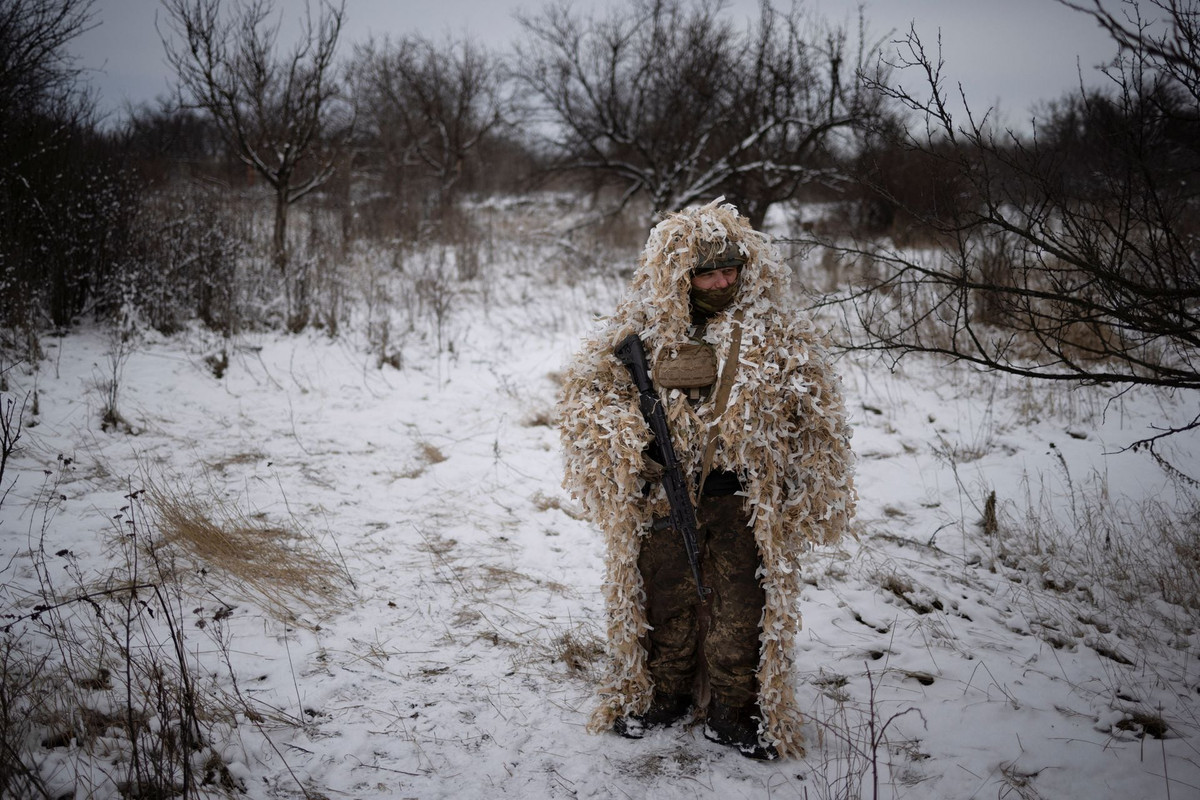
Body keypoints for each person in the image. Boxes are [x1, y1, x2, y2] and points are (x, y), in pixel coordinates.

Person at [557, 199, 856, 759]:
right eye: (706, 273)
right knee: (662, 600)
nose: (721, 282)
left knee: (743, 608)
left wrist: (809, 489)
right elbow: (586, 401)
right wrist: (630, 441)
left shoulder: (777, 335)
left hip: (743, 500)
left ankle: (732, 709)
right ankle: (664, 696)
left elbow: (819, 420)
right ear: (679, 276)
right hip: (664, 500)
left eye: (730, 270)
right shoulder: (639, 332)